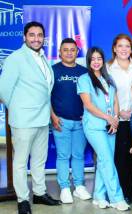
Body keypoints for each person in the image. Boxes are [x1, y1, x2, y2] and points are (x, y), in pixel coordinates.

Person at [0, 21, 60, 214]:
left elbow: (44, 89)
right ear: (24, 37)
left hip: (42, 119)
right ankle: (22, 199)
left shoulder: (42, 58)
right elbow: (3, 91)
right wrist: (18, 108)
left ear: (43, 38)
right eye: (32, 35)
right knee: (20, 162)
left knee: (39, 160)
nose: (36, 38)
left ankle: (40, 193)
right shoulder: (16, 58)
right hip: (24, 119)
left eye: (39, 35)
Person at [77, 47, 129, 211]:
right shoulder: (84, 79)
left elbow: (114, 100)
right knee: (107, 160)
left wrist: (115, 121)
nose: (96, 61)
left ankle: (99, 196)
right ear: (89, 61)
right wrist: (108, 118)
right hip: (94, 125)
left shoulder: (109, 78)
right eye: (93, 59)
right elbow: (89, 105)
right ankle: (116, 198)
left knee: (103, 161)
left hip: (110, 126)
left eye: (99, 58)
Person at [51, 38, 91, 204]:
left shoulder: (84, 72)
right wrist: (52, 116)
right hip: (61, 121)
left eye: (72, 50)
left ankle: (79, 187)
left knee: (78, 155)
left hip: (81, 123)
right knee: (62, 155)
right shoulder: (52, 70)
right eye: (65, 49)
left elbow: (91, 97)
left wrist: (88, 115)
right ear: (60, 52)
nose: (69, 52)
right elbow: (46, 97)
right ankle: (65, 188)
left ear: (77, 52)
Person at [107, 34, 132, 204]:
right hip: (117, 119)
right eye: (120, 46)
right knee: (120, 158)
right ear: (114, 48)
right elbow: (105, 94)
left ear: (131, 49)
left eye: (127, 46)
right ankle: (124, 192)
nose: (123, 49)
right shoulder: (107, 68)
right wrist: (119, 111)